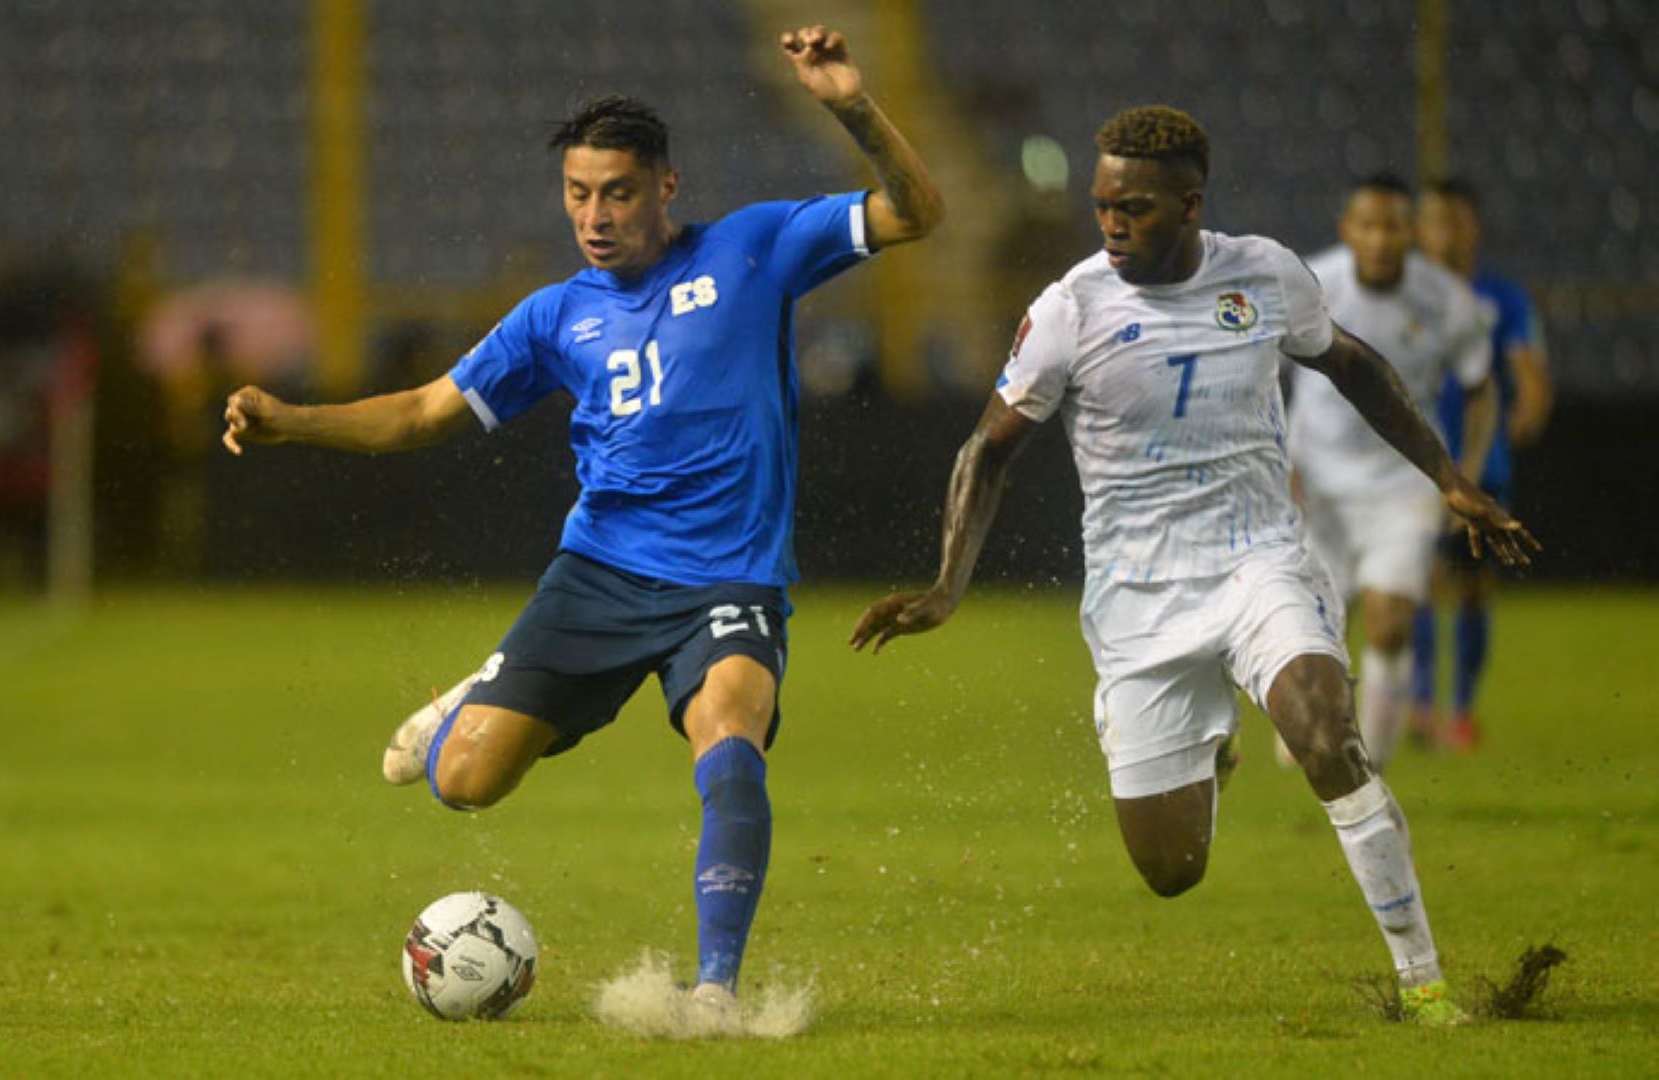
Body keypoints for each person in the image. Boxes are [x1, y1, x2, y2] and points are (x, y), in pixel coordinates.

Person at [222, 27, 943, 1011]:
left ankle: (716, 994)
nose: (594, 216)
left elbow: (918, 212)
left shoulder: (757, 248)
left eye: (617, 192)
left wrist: (850, 106)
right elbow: (426, 412)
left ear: (667, 187)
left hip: (729, 577)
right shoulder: (556, 316)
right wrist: (292, 421)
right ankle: (470, 698)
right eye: (577, 193)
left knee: (731, 736)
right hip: (600, 575)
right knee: (465, 784)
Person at [849, 106, 1533, 1024]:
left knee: (1328, 736)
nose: (1111, 224)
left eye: (1131, 207)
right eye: (1101, 206)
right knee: (1171, 872)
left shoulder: (1264, 273)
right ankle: (1214, 749)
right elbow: (987, 448)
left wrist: (1448, 478)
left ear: (1188, 205)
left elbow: (1354, 365)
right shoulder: (1071, 309)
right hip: (1138, 600)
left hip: (1259, 558)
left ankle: (1426, 984)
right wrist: (946, 585)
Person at [1285, 173, 1496, 770]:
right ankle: (1317, 725)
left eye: (1393, 226)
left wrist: (1465, 474)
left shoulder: (1447, 299)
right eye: (1368, 225)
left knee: (1391, 621)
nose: (1380, 238)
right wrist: (1280, 461)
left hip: (1403, 486)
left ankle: (1366, 769)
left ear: (1413, 232)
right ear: (1348, 230)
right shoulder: (1311, 285)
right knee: (1316, 632)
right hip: (1317, 485)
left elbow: (1482, 389)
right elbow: (1258, 374)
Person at [1410, 176, 1553, 751]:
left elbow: (1529, 372)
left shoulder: (1501, 299)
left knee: (1471, 588)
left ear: (1474, 228)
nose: (1445, 232)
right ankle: (1420, 707)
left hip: (1480, 467)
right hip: (1415, 462)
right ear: (1420, 228)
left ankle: (1461, 711)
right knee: (1417, 581)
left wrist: (1527, 413)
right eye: (1435, 220)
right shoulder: (1405, 295)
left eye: (1456, 220)